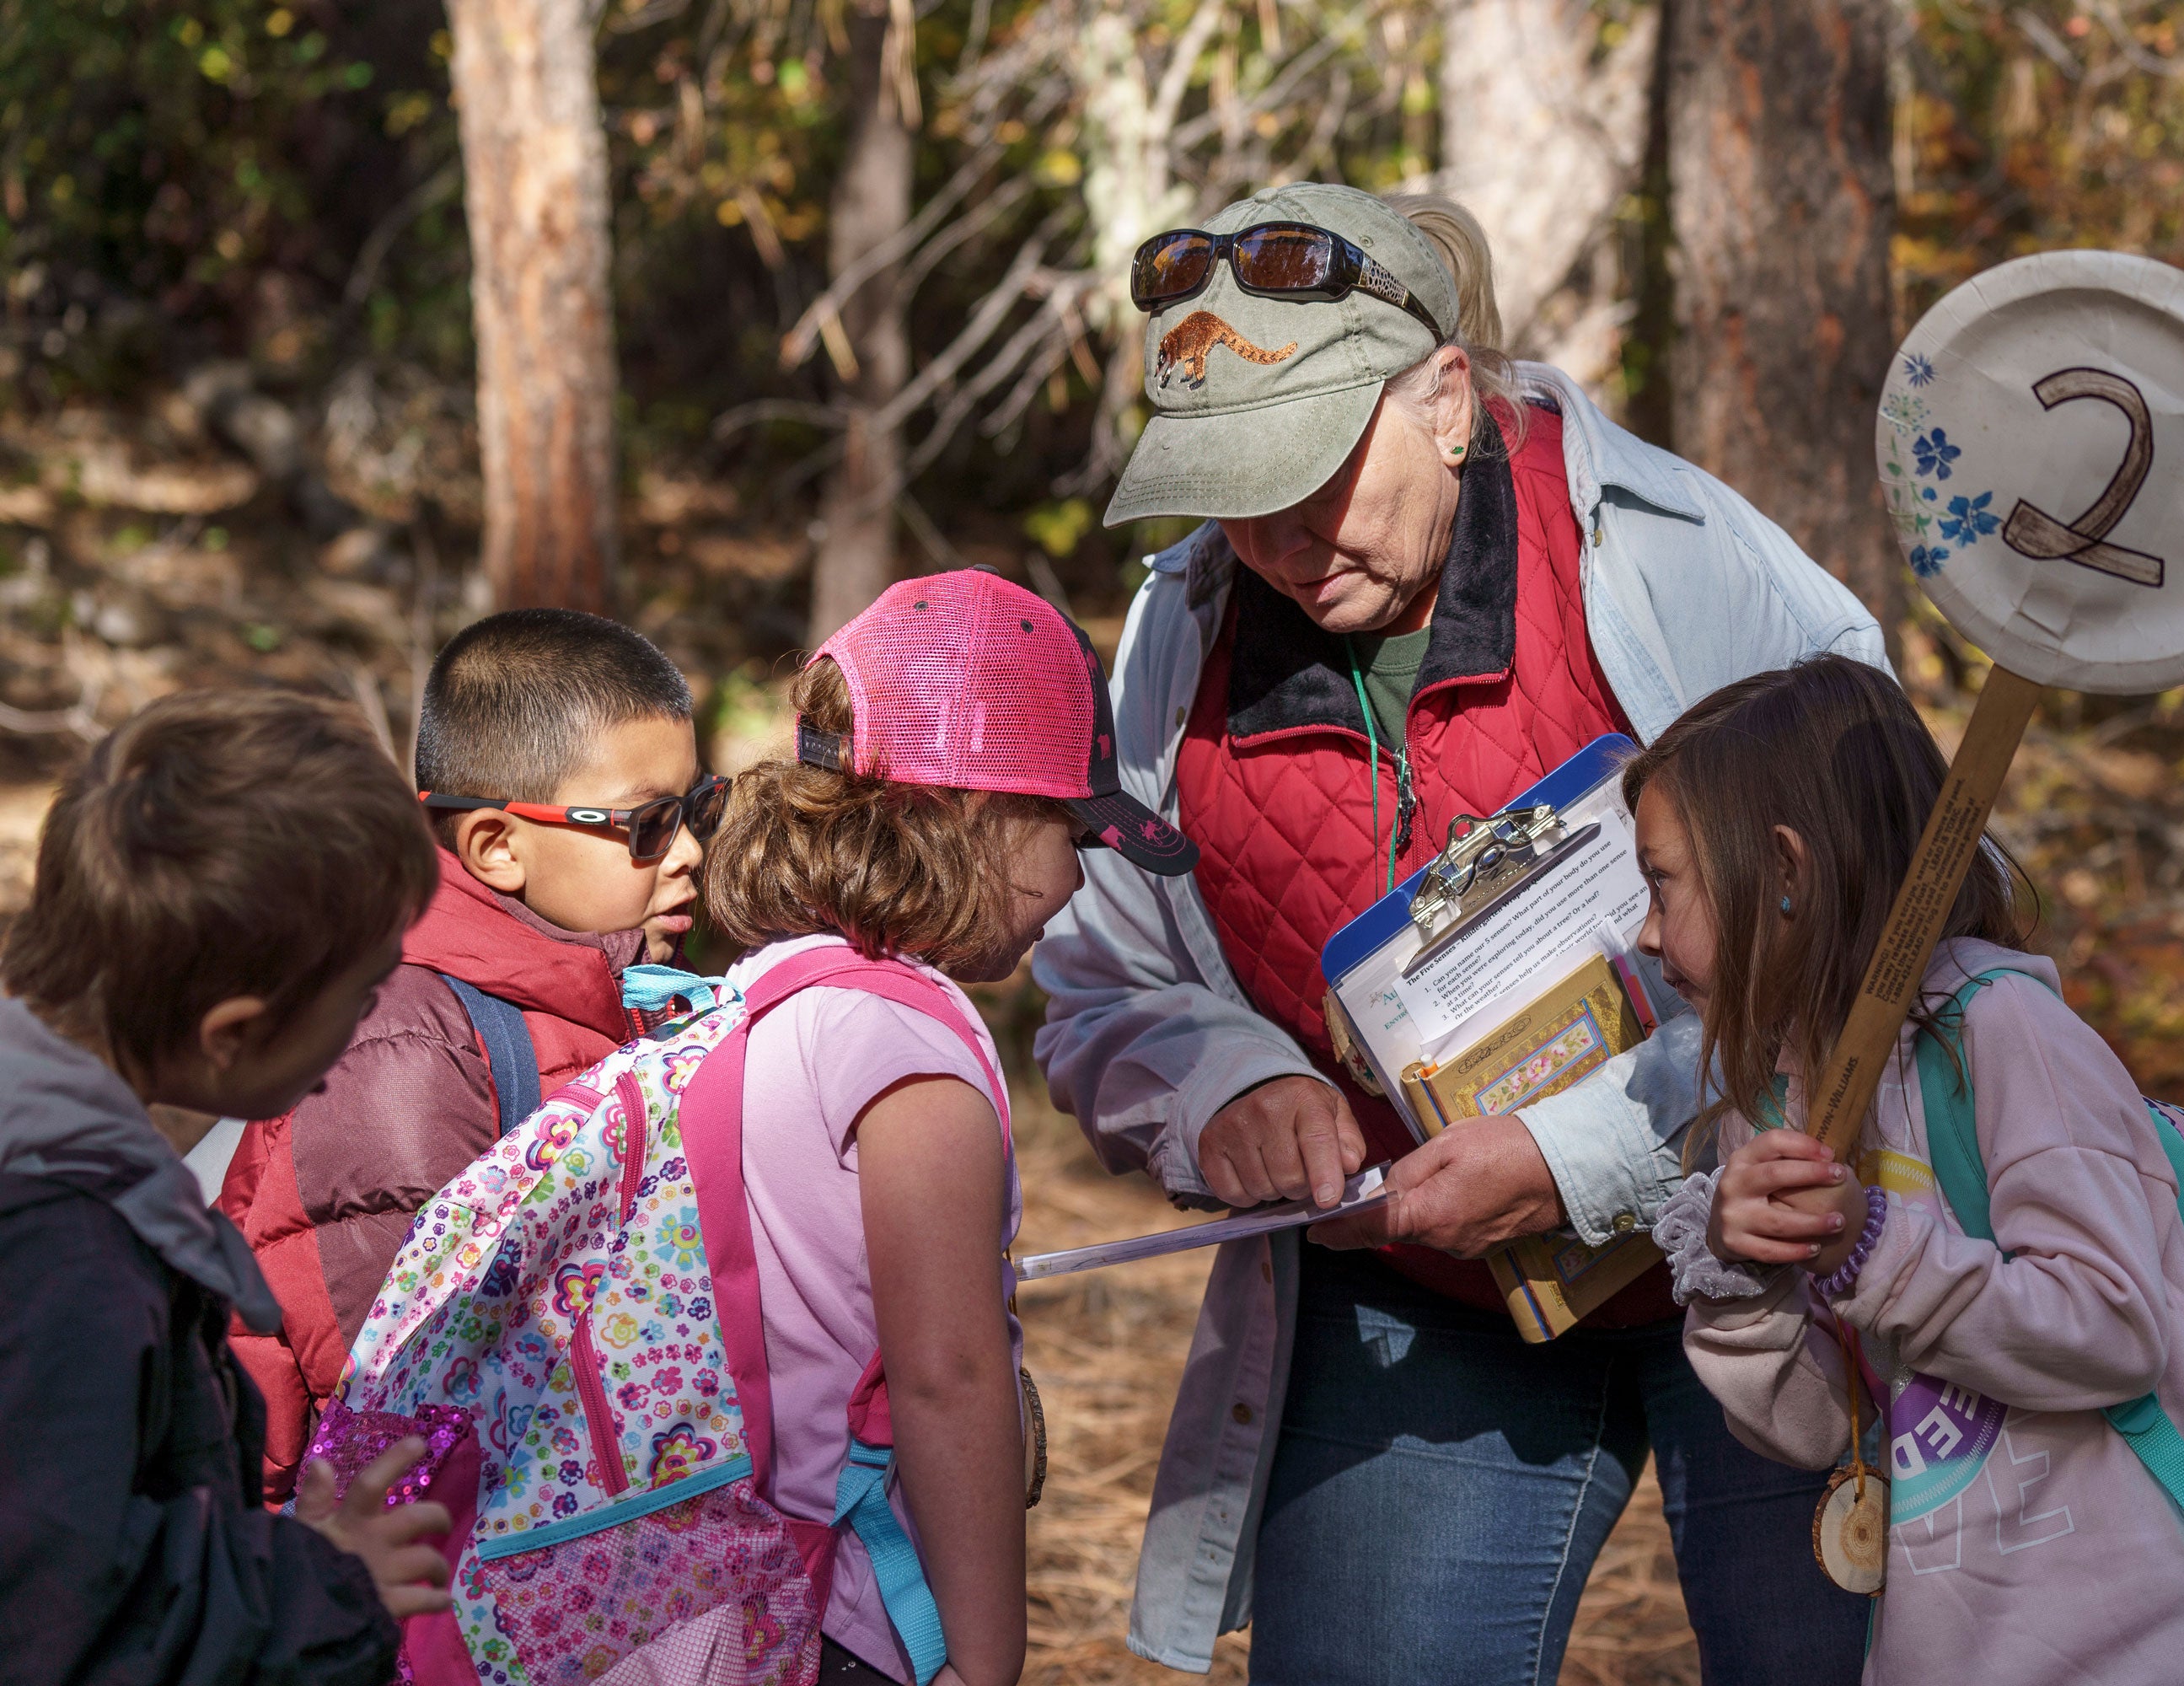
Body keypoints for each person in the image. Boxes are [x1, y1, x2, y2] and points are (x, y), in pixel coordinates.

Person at [1032, 182, 1881, 1682]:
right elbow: (1102, 975)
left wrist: (1577, 1162)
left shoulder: (1666, 563)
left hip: (1790, 1253)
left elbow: (1891, 935)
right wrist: (1225, 1084)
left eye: (1310, 469)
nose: (1279, 535)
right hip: (1422, 1299)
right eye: (1229, 485)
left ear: (1442, 399)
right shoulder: (1182, 633)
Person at [1640, 657, 2184, 1682]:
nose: (1646, 931)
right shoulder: (1788, 1097)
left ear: (1785, 870)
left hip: (2127, 1644)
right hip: (1942, 1645)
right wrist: (1746, 1285)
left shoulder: (2008, 1038)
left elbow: (2110, 1327)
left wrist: (1874, 1245)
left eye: (1662, 880)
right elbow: (1811, 1426)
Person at [699, 571, 1199, 1686]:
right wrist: (986, 1661)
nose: (1075, 878)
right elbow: (946, 1379)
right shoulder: (915, 1058)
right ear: (975, 814)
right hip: (847, 1618)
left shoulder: (771, 992)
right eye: (1072, 828)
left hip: (737, 1594)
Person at [0, 690, 457, 1684]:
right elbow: (62, 1623)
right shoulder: (65, 1249)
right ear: (235, 1033)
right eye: (362, 994)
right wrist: (324, 1583)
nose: (354, 1045)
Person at [218, 608, 725, 1501]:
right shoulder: (402, 1041)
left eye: (696, 809)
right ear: (496, 846)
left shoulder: (617, 998)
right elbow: (405, 1400)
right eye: (649, 824)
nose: (688, 852)